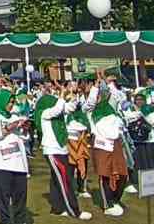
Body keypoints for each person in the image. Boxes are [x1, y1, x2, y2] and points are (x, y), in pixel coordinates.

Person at [35, 83, 91, 220]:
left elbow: (70, 107)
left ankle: (57, 208)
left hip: (62, 149)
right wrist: (61, 94)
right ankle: (74, 210)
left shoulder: (57, 110)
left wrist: (74, 94)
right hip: (53, 151)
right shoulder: (44, 113)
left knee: (56, 180)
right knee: (66, 180)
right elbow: (57, 109)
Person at [0, 87, 29, 224]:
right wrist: (10, 127)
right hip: (1, 165)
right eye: (9, 102)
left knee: (20, 198)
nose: (11, 105)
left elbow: (23, 138)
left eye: (13, 102)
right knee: (2, 200)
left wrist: (24, 128)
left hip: (19, 164)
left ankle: (20, 221)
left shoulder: (14, 116)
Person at [88, 85, 126, 217]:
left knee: (122, 173)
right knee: (104, 174)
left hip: (115, 143)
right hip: (101, 145)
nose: (99, 98)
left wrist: (107, 82)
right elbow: (90, 102)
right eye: (98, 96)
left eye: (101, 95)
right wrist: (95, 87)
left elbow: (118, 96)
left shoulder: (111, 107)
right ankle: (107, 204)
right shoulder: (90, 110)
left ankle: (115, 199)